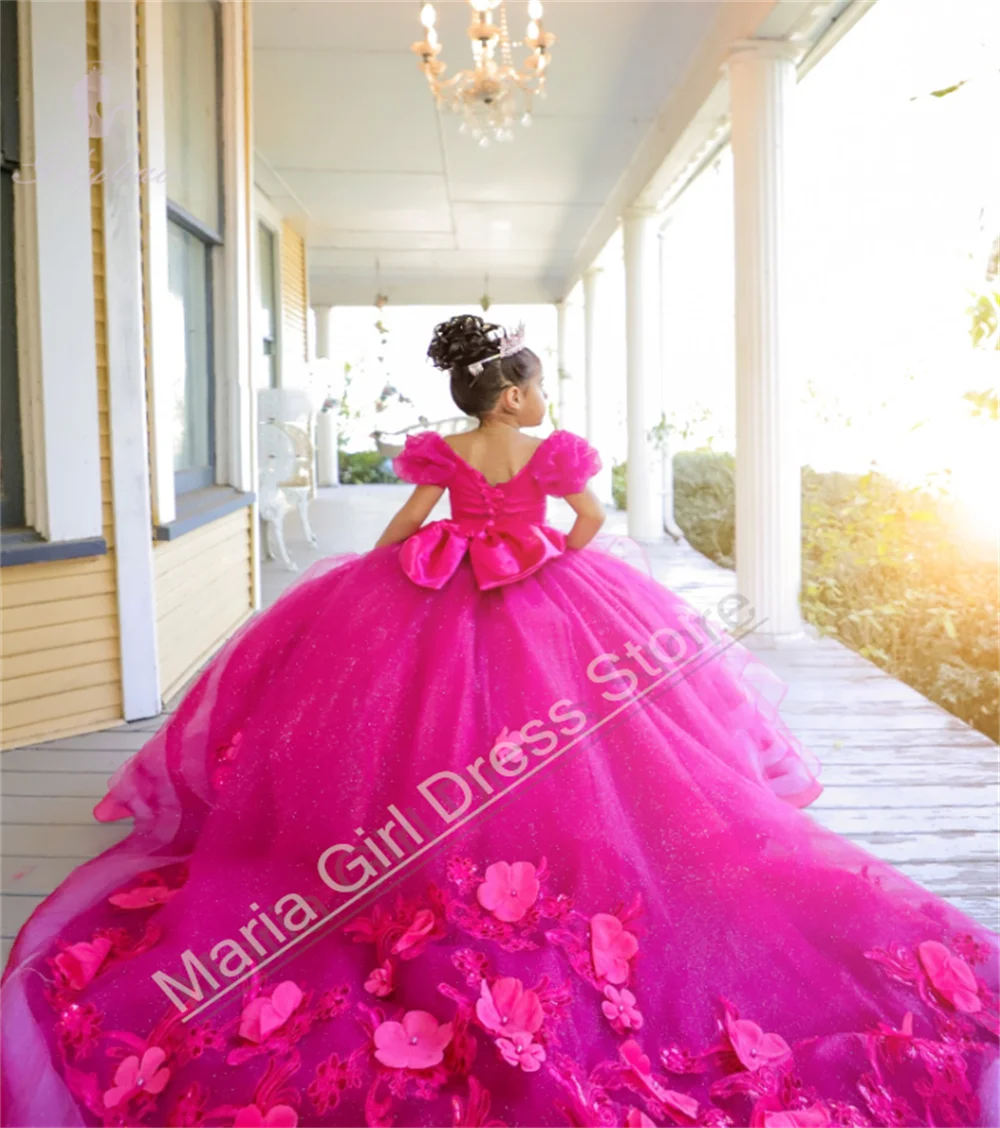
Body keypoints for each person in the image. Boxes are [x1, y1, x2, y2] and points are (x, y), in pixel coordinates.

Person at [2, 315, 997, 1128]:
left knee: (414, 739)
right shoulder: (548, 452)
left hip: (436, 593)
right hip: (543, 594)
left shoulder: (448, 453)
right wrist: (550, 544)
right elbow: (594, 523)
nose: (540, 398)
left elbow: (407, 527)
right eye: (535, 383)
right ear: (513, 394)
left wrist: (384, 569)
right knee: (582, 742)